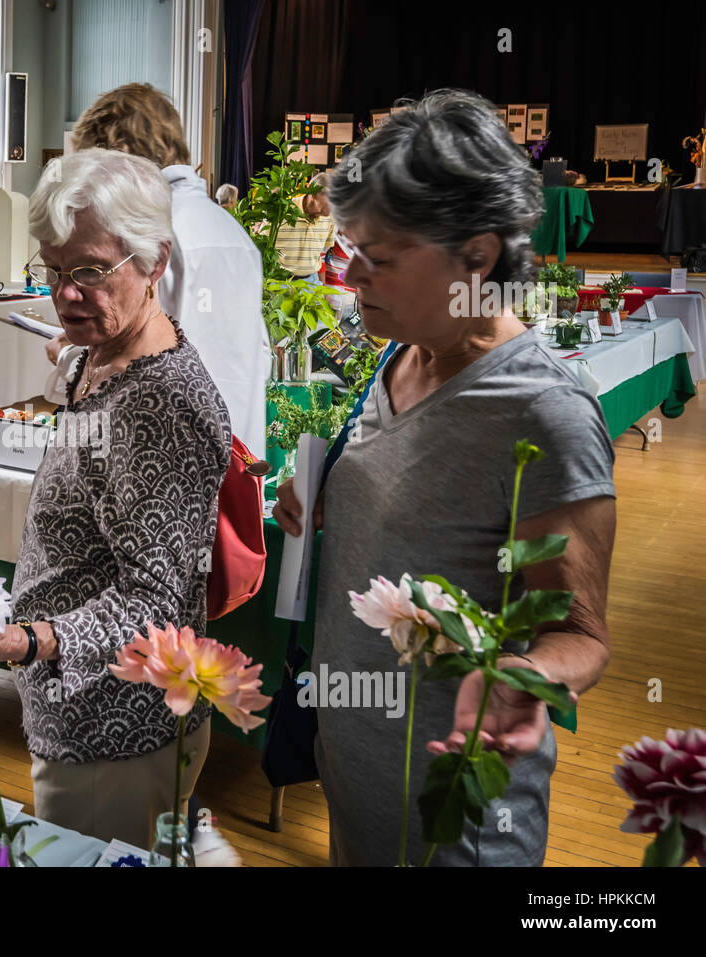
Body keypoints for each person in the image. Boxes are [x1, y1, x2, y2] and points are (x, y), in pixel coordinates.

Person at [271, 89, 615, 866]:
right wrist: (333, 499)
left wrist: (525, 673)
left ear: (478, 254)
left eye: (379, 256)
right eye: (348, 244)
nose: (348, 272)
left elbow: (583, 635)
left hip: (458, 821)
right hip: (357, 783)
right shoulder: (402, 352)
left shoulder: (544, 413)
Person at [0, 148, 231, 848]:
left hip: (117, 732)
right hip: (74, 715)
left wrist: (35, 639)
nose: (66, 293)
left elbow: (153, 600)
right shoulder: (107, 353)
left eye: (89, 270)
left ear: (154, 262)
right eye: (53, 270)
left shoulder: (162, 402)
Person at [47, 83, 269, 462]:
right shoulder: (233, 233)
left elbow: (144, 370)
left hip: (162, 456)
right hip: (237, 454)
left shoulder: (146, 234)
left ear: (116, 161)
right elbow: (259, 356)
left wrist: (70, 358)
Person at [274, 171, 336, 283]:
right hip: (281, 281)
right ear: (313, 194)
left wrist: (322, 285)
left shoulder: (331, 218)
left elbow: (322, 253)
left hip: (311, 281)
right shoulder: (283, 209)